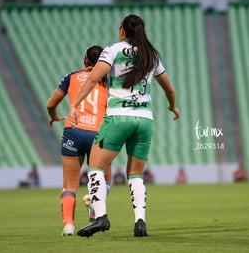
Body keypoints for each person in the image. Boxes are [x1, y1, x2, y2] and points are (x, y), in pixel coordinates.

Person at [70, 14, 180, 237]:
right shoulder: (152, 55)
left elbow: (92, 79)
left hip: (118, 116)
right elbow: (169, 89)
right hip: (144, 120)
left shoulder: (113, 50)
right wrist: (172, 107)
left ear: (122, 30)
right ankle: (140, 222)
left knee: (96, 167)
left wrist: (75, 104)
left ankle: (100, 216)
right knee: (136, 173)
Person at [47, 45, 111, 236]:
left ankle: (68, 225)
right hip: (98, 133)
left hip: (73, 131)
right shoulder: (109, 80)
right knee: (104, 179)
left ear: (85, 61)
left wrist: (53, 115)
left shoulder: (71, 77)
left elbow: (51, 103)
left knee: (69, 185)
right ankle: (93, 204)